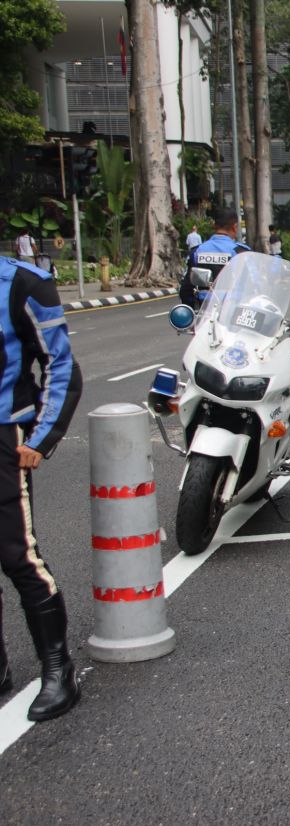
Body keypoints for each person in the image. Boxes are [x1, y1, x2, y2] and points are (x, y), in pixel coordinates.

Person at [0, 254, 84, 721]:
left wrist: (41, 437)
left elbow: (62, 366)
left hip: (5, 435)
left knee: (17, 554)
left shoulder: (22, 283)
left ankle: (58, 669)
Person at [180, 207, 250, 308]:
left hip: (203, 313)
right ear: (235, 227)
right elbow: (253, 285)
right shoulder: (241, 252)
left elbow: (186, 288)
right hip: (232, 312)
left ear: (214, 226)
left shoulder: (196, 251)